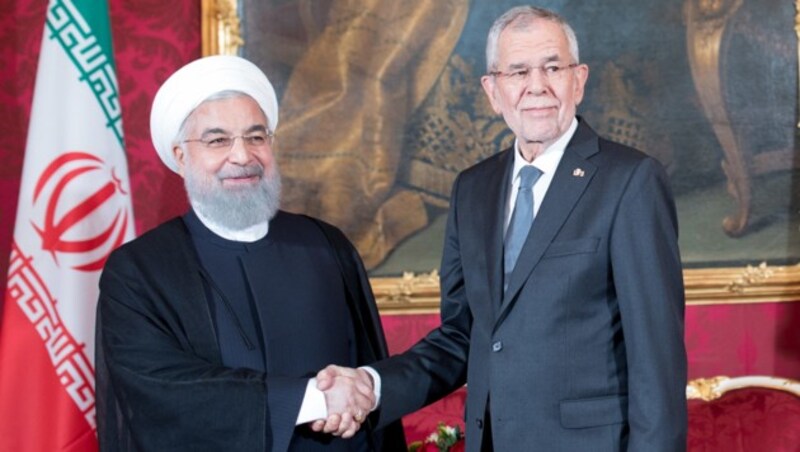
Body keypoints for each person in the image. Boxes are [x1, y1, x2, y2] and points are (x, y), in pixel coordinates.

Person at [316, 6, 687, 451]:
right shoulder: (472, 189)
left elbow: (656, 359)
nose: (537, 86)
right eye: (517, 71)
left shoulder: (630, 181)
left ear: (579, 80)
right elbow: (462, 336)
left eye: (553, 67)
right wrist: (373, 385)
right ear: (492, 91)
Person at [95, 55, 405, 452]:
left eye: (256, 137)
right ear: (180, 156)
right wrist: (310, 399)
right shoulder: (139, 270)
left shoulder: (326, 246)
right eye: (218, 140)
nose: (242, 156)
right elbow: (164, 393)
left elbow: (367, 370)